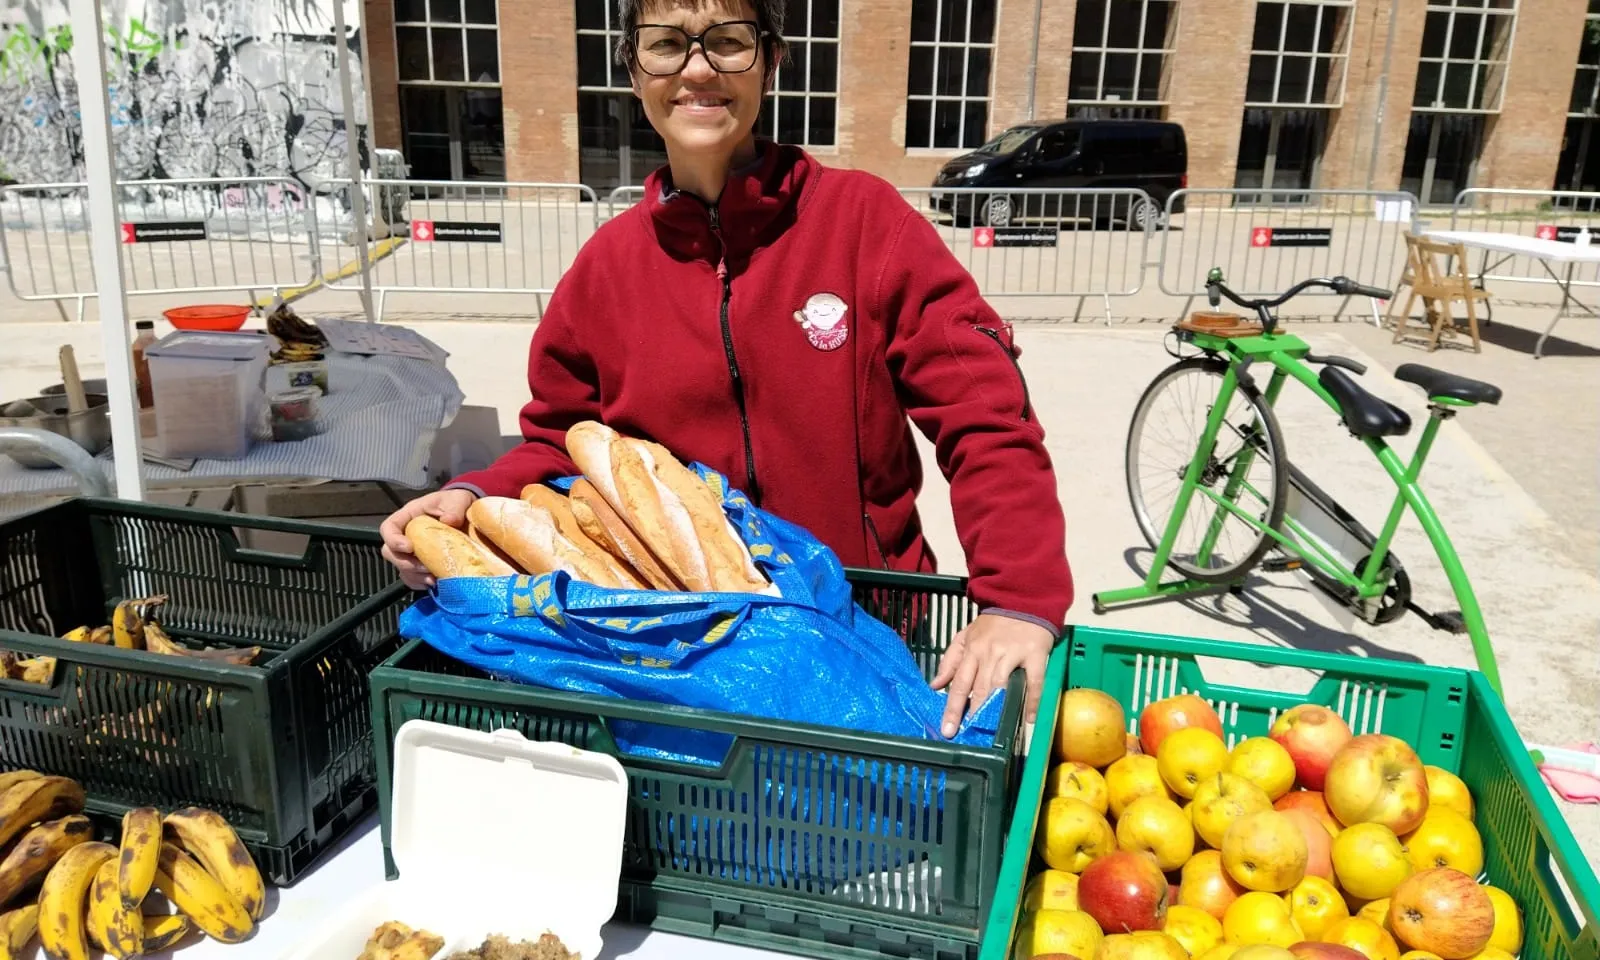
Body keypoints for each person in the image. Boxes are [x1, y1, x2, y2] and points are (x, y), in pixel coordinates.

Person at [379, 0, 1074, 738]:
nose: (699, 69)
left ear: (771, 60)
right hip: (687, 657)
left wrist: (1016, 601)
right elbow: (559, 438)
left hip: (867, 631)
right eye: (668, 45)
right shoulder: (605, 272)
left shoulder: (866, 225)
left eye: (729, 42)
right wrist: (468, 493)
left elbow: (985, 416)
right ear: (633, 69)